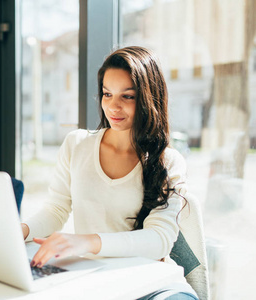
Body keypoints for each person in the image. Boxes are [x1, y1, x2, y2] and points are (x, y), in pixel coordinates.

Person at [21, 46, 199, 299]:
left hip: (152, 284)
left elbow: (160, 239)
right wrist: (23, 231)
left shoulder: (168, 161)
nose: (113, 107)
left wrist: (86, 242)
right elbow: (56, 210)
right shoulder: (77, 144)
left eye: (127, 96)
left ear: (149, 98)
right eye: (107, 94)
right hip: (94, 278)